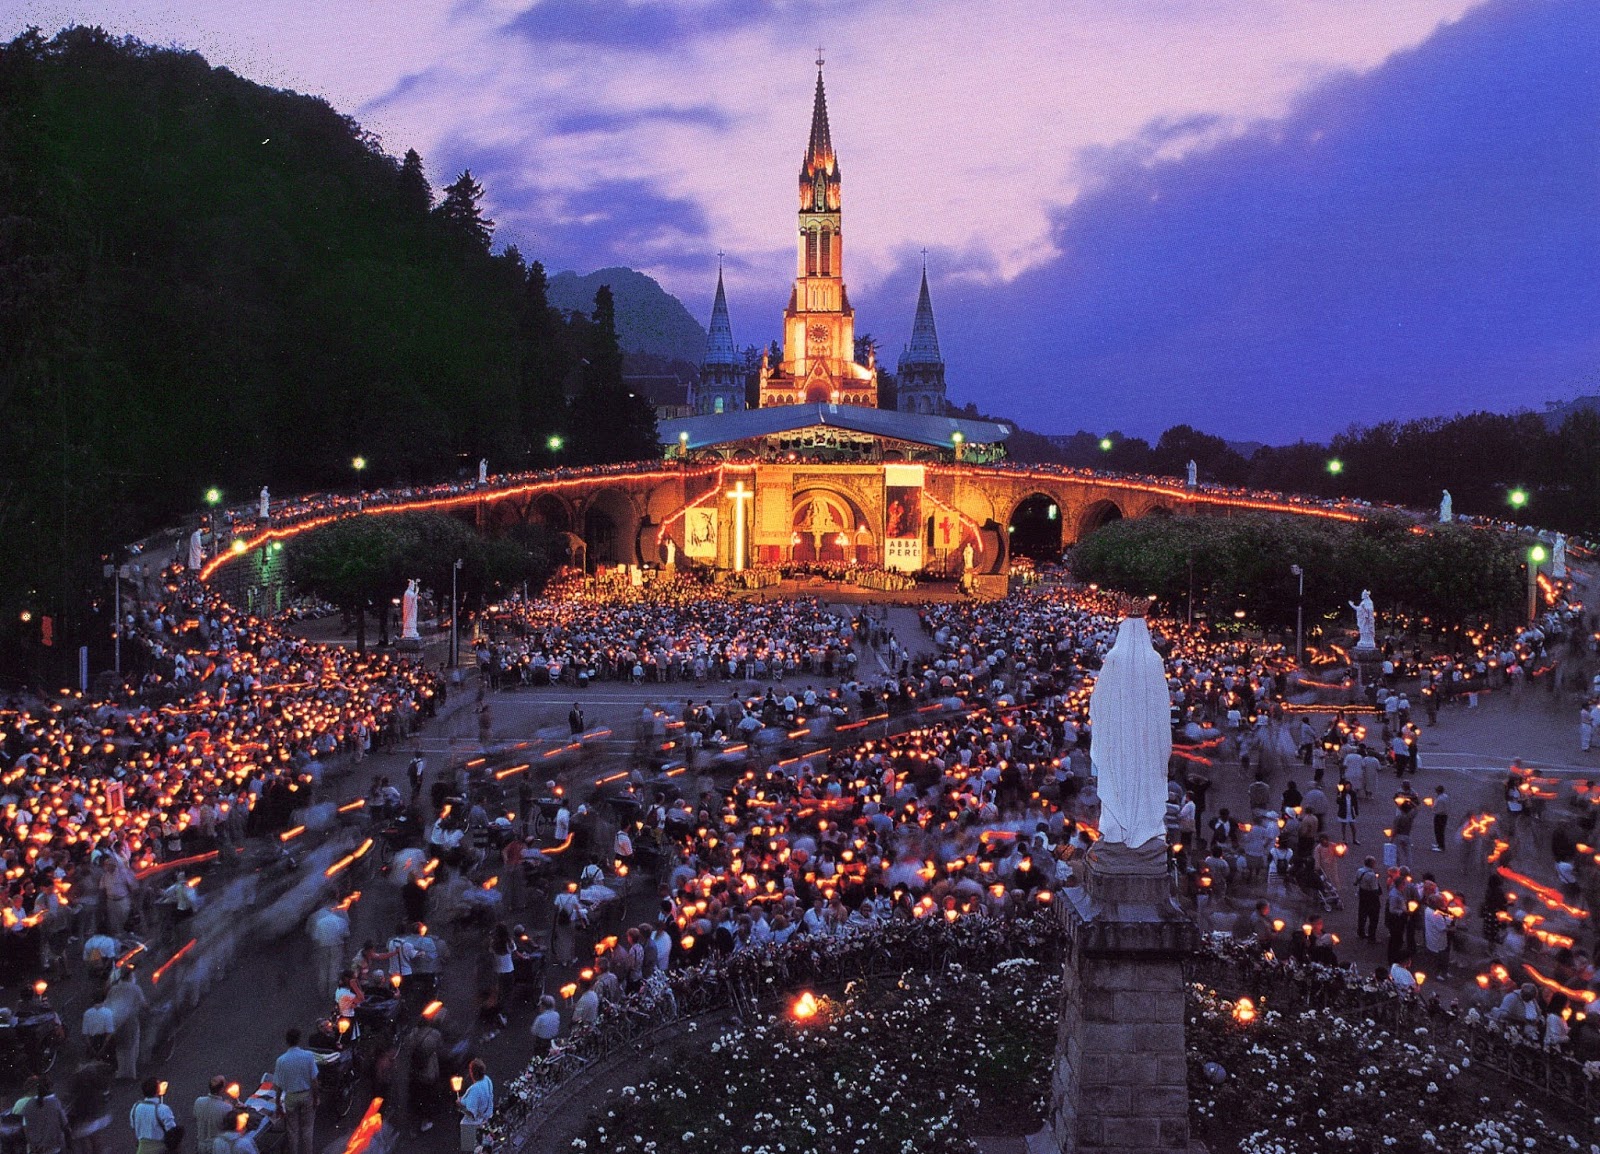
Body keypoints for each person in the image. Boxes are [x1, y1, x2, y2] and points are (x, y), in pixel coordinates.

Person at [272, 1028, 319, 1154]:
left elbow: (279, 1085)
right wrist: (316, 1097)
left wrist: (278, 1102)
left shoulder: (281, 1060)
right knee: (307, 1129)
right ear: (299, 1039)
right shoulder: (308, 1056)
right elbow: (314, 1080)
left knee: (292, 1130)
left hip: (291, 1097)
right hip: (306, 1095)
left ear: (287, 1041)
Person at [15, 1075, 68, 1154]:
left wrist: (33, 1146)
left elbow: (25, 1128)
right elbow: (64, 1124)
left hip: (34, 1147)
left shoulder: (25, 1104)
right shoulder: (53, 1102)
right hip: (52, 1147)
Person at [127, 1078, 177, 1154]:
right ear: (157, 1091)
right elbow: (172, 1130)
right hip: (161, 1150)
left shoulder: (136, 1107)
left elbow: (133, 1125)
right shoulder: (163, 1109)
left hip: (142, 1149)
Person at [192, 1077, 234, 1152]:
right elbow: (230, 1128)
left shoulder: (198, 1101)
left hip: (200, 1146)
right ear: (221, 1089)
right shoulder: (227, 1108)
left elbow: (195, 1117)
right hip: (216, 1147)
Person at [457, 1058, 493, 1128]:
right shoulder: (487, 1079)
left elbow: (472, 1115)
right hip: (486, 1115)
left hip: (473, 1124)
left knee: (466, 1132)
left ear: (472, 1073)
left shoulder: (474, 1090)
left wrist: (460, 1106)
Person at [1354, 855, 1382, 942]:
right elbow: (1375, 889)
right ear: (1371, 864)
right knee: (1374, 917)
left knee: (1362, 914)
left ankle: (1361, 932)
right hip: (1371, 897)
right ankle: (1371, 937)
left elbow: (1356, 881)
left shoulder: (1359, 871)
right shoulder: (1371, 875)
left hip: (1362, 894)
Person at [1430, 785, 1450, 852]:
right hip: (1444, 816)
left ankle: (1441, 846)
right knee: (1440, 831)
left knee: (1439, 831)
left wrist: (1432, 808)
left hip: (1440, 816)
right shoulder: (1445, 796)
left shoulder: (1440, 799)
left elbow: (1438, 809)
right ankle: (1439, 844)